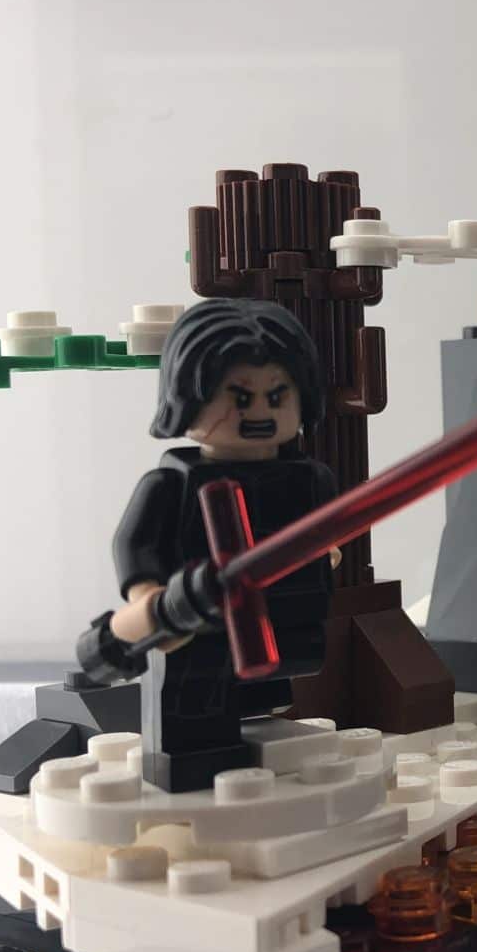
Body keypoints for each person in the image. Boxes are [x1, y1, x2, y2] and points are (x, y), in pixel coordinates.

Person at [108, 298, 337, 792]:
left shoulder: (309, 478)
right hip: (198, 625)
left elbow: (324, 529)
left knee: (275, 690)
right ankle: (198, 766)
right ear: (186, 398)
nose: (259, 413)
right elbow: (135, 541)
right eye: (239, 397)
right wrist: (147, 595)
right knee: (194, 705)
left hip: (283, 619)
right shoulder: (172, 484)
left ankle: (259, 736)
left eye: (277, 396)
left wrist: (324, 555)